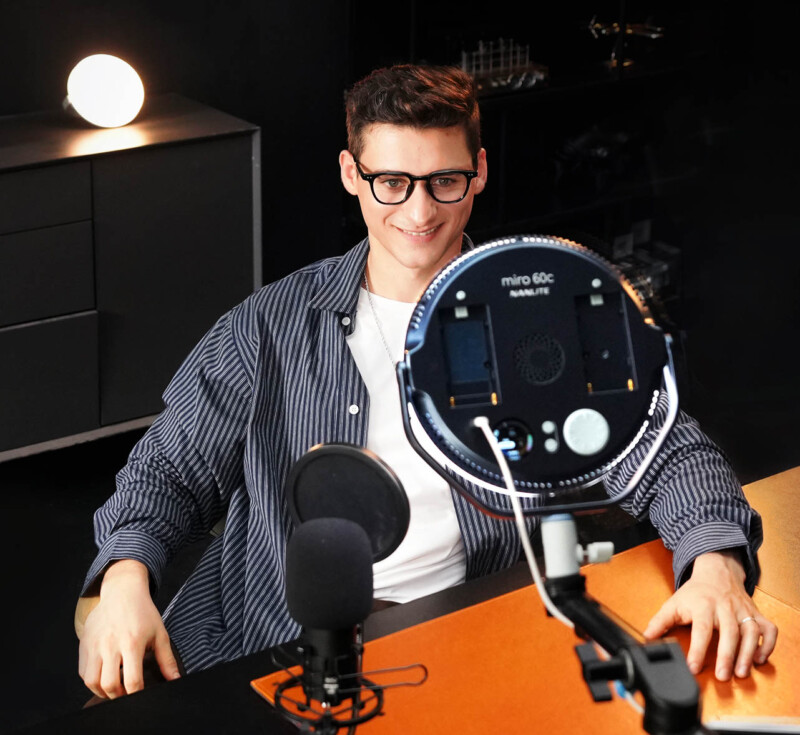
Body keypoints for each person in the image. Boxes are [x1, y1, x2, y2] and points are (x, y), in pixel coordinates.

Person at [76, 63, 777, 701]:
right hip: (270, 643)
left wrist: (715, 564)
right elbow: (165, 474)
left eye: (445, 180)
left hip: (466, 636)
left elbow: (670, 450)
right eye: (392, 183)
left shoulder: (545, 316)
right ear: (352, 173)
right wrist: (125, 580)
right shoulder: (265, 327)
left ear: (479, 171)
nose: (419, 213)